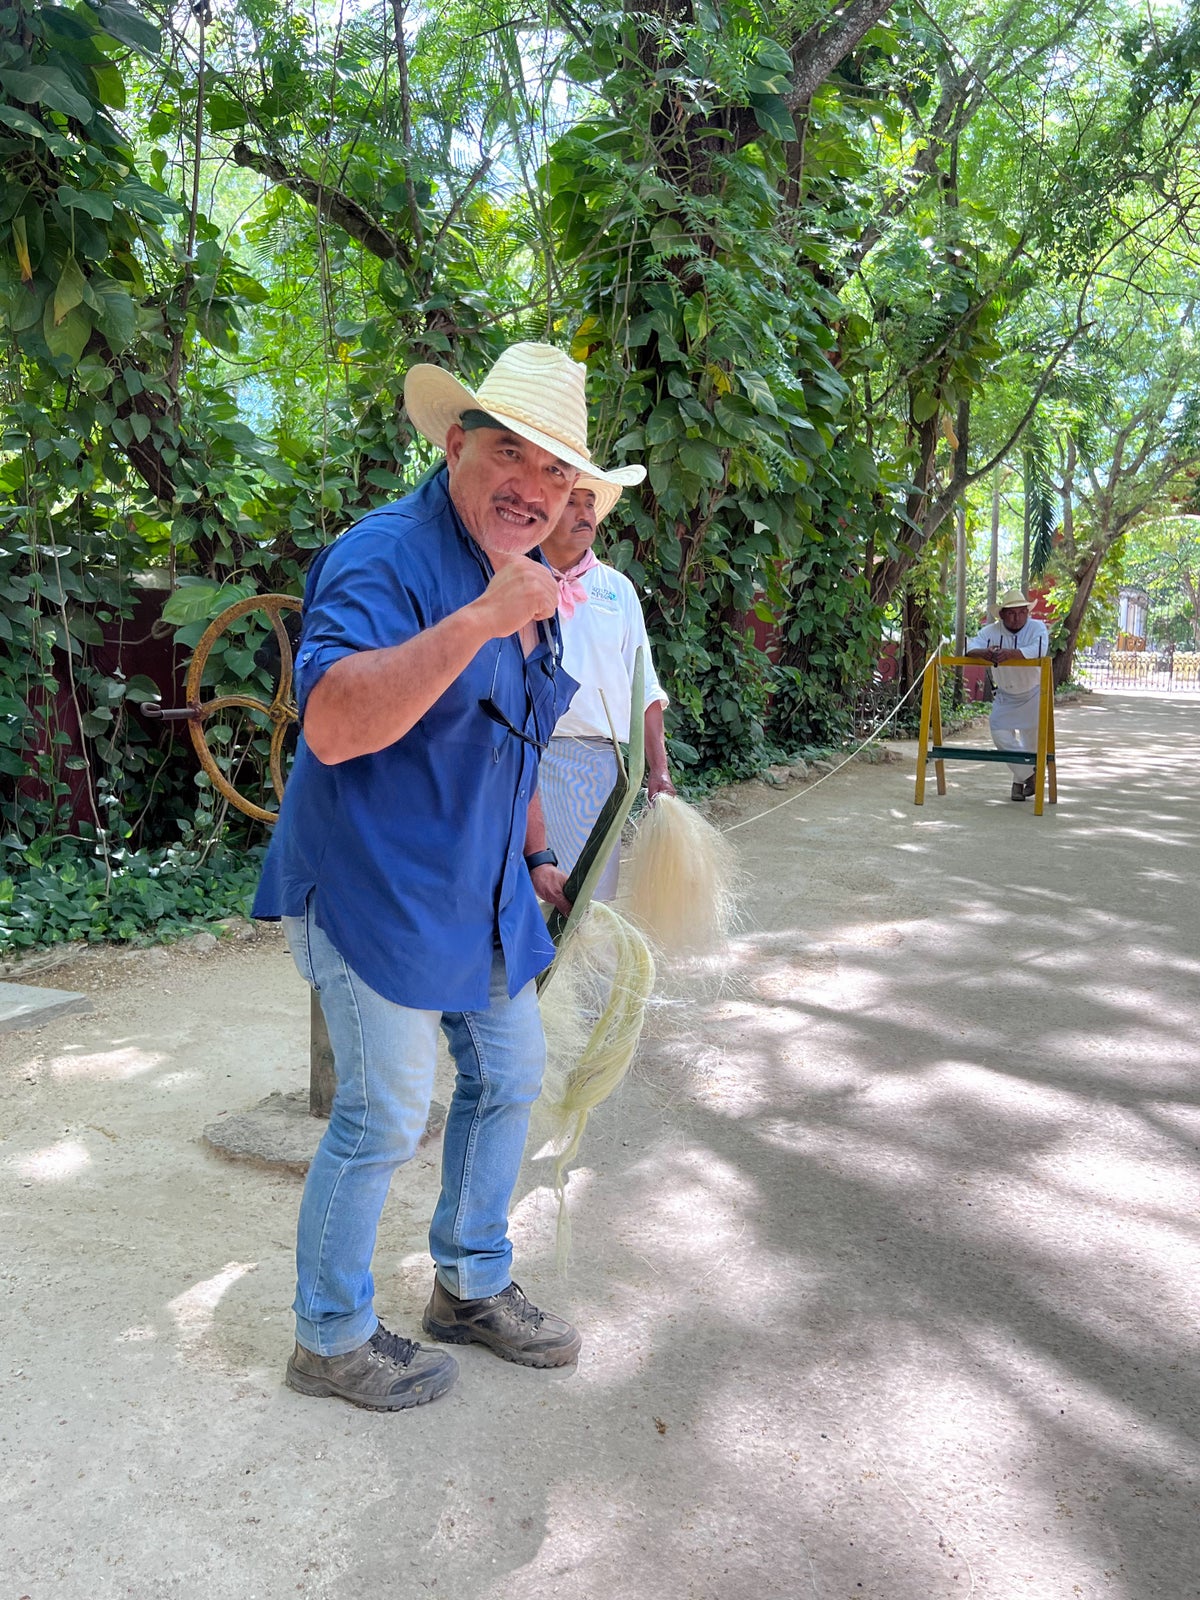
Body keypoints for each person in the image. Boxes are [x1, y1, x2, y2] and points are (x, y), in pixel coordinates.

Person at [252, 343, 644, 1411]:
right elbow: (331, 727)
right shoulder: (386, 557)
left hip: (479, 885)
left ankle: (468, 1284)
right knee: (383, 1109)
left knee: (512, 1072)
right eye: (510, 453)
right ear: (455, 441)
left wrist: (539, 854)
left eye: (558, 471)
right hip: (374, 879)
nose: (534, 486)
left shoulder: (525, 575)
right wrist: (479, 619)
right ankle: (328, 1334)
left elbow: (507, 737)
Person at [537, 479, 675, 901]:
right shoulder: (514, 579)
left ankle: (589, 970)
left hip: (597, 765)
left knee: (589, 900)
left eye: (589, 504)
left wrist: (659, 769)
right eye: (570, 503)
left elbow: (644, 686)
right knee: (524, 897)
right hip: (523, 754)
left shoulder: (617, 590)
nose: (583, 514)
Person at [965, 587, 1052, 801]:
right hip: (1005, 694)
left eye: (1022, 612)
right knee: (1000, 733)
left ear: (1027, 612)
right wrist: (984, 653)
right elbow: (969, 647)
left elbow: (1038, 650)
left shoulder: (1037, 628)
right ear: (1002, 614)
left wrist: (1010, 654)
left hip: (1033, 693)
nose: (1017, 617)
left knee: (1032, 742)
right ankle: (1030, 776)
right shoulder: (990, 632)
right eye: (1011, 613)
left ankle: (1018, 785)